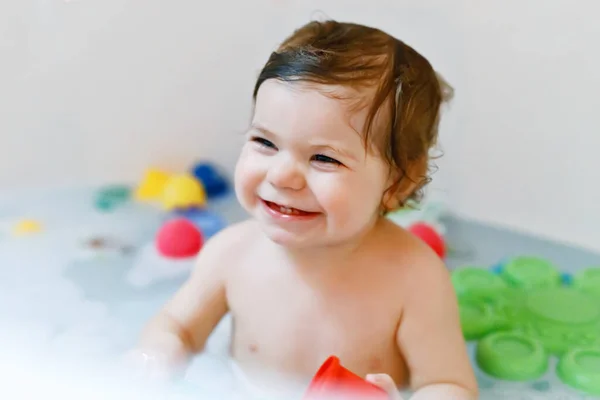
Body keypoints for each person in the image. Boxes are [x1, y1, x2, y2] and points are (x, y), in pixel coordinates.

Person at [128, 19, 478, 399]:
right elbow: (176, 326)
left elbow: (449, 384)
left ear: (396, 184)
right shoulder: (231, 254)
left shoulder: (415, 279)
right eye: (265, 141)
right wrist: (157, 356)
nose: (281, 176)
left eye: (324, 158)